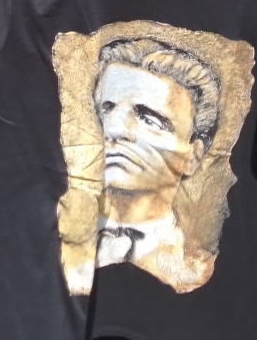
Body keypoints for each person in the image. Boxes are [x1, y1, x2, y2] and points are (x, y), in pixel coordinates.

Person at [92, 35, 222, 290]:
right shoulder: (47, 236)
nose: (114, 129)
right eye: (107, 109)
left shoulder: (194, 264)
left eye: (148, 119)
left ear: (193, 155)